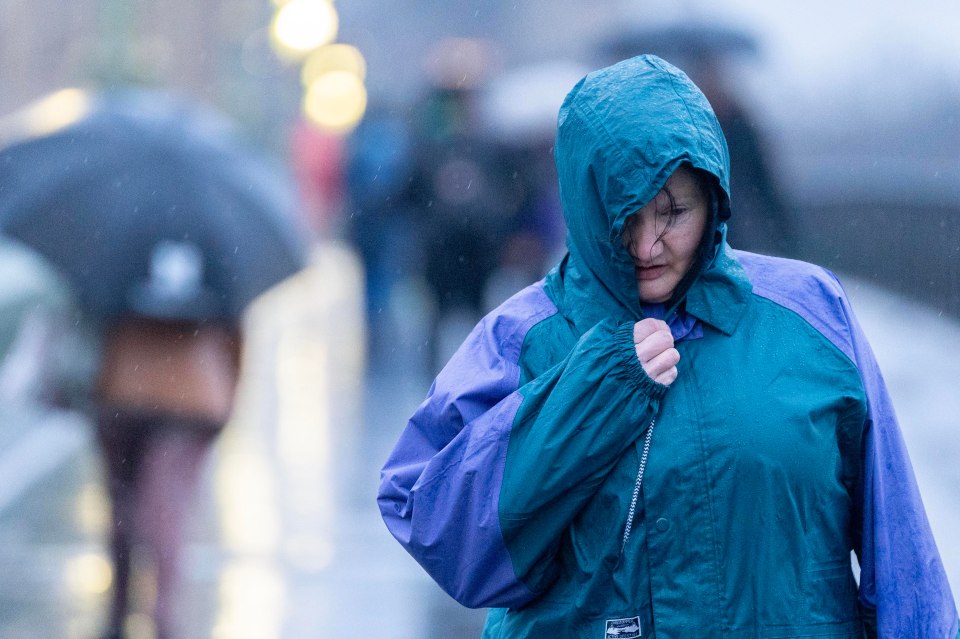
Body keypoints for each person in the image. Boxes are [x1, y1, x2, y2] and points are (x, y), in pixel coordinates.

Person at [377, 55, 958, 638]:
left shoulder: (809, 314)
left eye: (674, 212)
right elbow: (441, 532)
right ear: (584, 207)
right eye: (623, 216)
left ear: (713, 198)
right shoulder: (523, 338)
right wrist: (593, 393)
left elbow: (901, 555)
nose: (648, 244)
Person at [95, 242, 242, 639]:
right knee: (167, 510)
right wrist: (228, 395)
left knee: (124, 504)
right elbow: (235, 325)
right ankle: (162, 615)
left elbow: (93, 309)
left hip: (124, 385)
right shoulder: (219, 236)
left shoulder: (116, 232)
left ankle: (119, 607)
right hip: (192, 393)